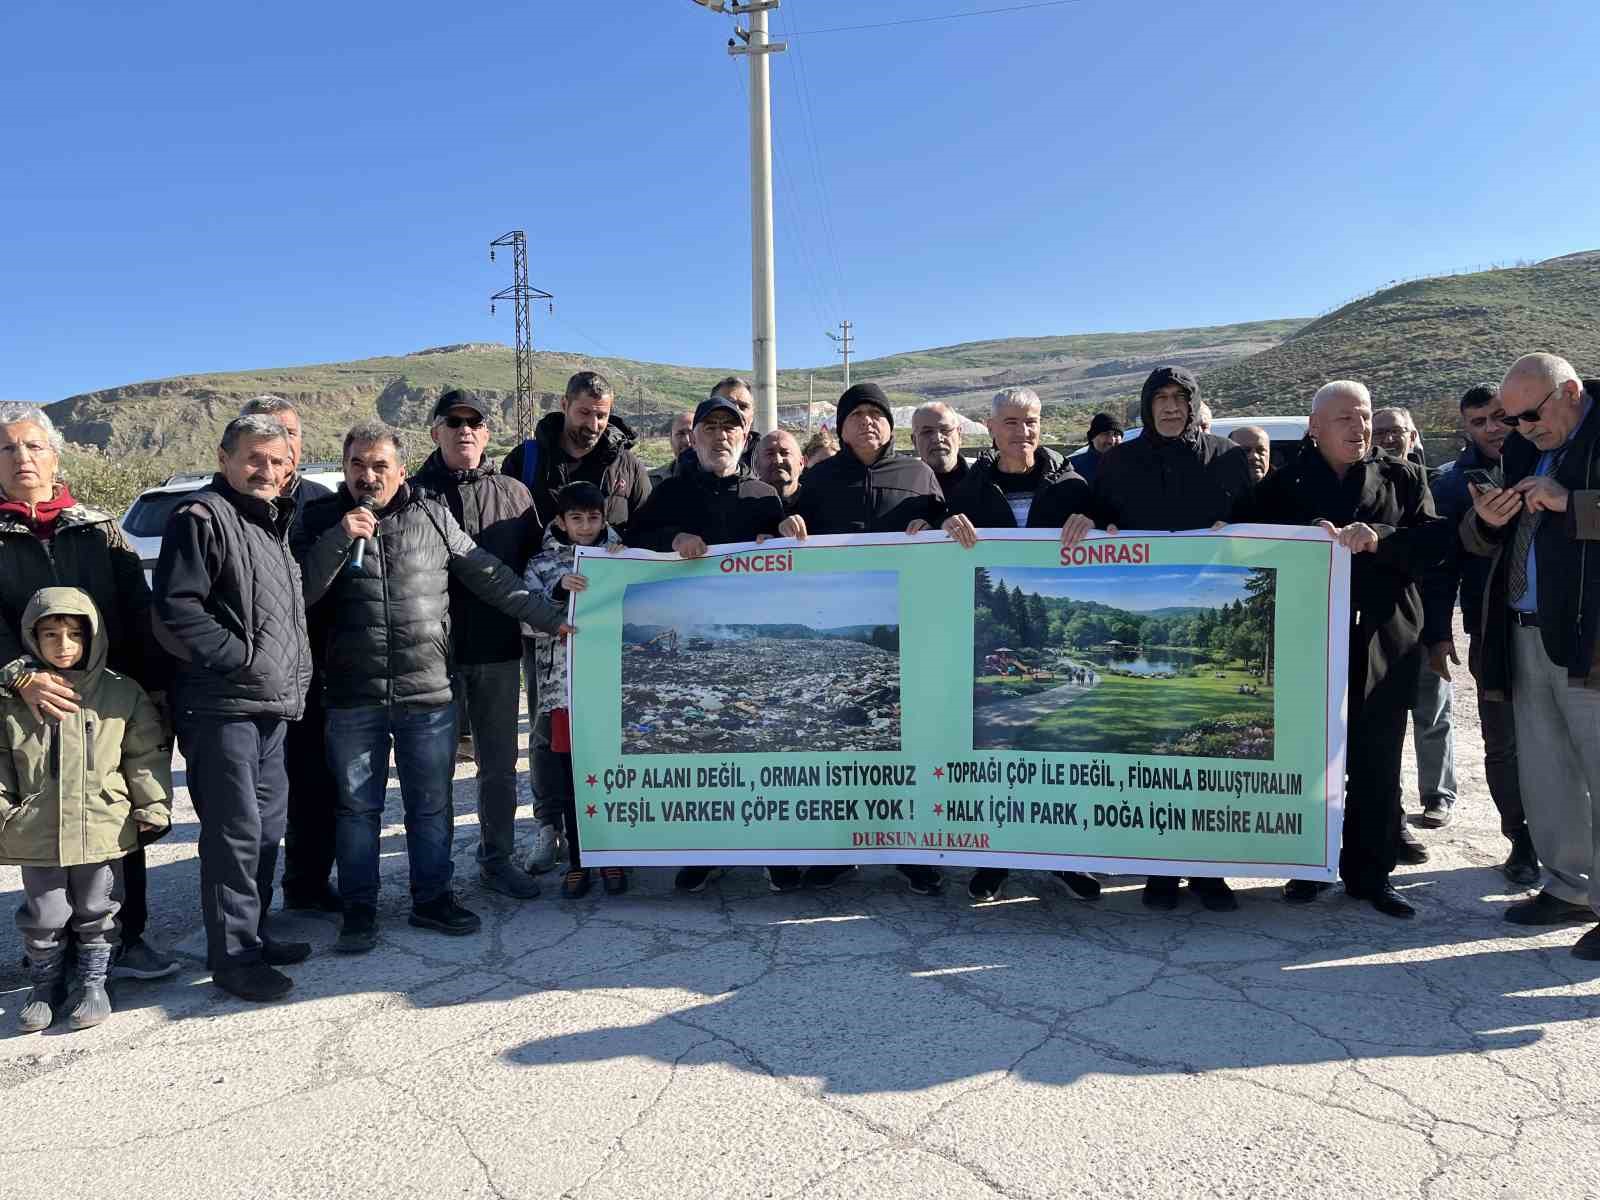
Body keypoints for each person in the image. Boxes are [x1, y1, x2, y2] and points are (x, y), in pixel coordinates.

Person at [297, 424, 574, 956]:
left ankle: (433, 898)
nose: (368, 475)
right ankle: (359, 909)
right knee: (357, 809)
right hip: (353, 694)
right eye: (358, 464)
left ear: (401, 469)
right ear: (345, 468)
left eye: (380, 465)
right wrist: (340, 537)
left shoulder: (431, 514)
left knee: (431, 803)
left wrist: (551, 617)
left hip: (427, 691)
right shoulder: (320, 520)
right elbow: (300, 592)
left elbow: (487, 574)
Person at [1246, 382, 1450, 918]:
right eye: (1344, 417)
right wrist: (1301, 540)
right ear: (1314, 427)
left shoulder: (1403, 476)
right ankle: (1309, 867)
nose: (1358, 427)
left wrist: (1380, 537)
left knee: (1377, 757)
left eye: (1363, 416)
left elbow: (1434, 543)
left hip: (1383, 639)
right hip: (1306, 642)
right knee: (1309, 756)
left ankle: (1371, 874)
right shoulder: (1281, 484)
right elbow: (1248, 546)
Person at [0, 405, 178, 983]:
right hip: (20, 705)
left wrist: (151, 689)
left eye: (32, 446)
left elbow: (134, 608)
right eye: (8, 449)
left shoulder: (99, 527)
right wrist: (17, 674)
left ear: (55, 454)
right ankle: (50, 951)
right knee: (37, 825)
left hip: (102, 703)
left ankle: (127, 940)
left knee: (115, 815)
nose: (22, 458)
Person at [1075, 367, 1253, 913]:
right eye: (1161, 399)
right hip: (1143, 601)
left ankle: (1208, 871)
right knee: (1155, 748)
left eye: (1181, 399)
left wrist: (1245, 538)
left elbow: (1262, 527)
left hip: (1208, 606)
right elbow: (1100, 517)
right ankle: (1158, 871)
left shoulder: (1228, 457)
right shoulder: (1118, 462)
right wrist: (1088, 521)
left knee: (1204, 765)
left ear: (1194, 403)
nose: (1171, 408)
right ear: (1146, 407)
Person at [153, 414, 313, 1002]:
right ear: (224, 458)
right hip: (223, 706)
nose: (264, 470)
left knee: (268, 828)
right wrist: (239, 658)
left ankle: (255, 931)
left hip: (269, 705)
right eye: (252, 458)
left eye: (275, 460)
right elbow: (176, 609)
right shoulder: (201, 518)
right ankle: (234, 958)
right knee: (234, 833)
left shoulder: (271, 524)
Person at [779, 382, 945, 896]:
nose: (868, 423)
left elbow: (949, 534)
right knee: (848, 745)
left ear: (891, 426)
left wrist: (934, 523)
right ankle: (842, 851)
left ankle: (913, 852)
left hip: (910, 629)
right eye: (857, 415)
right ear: (841, 426)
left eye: (878, 414)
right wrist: (787, 526)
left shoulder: (918, 476)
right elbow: (793, 535)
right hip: (846, 627)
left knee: (910, 739)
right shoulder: (820, 478)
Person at [1461, 353, 1600, 957]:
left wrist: (1570, 501)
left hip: (1591, 635)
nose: (1521, 429)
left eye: (1531, 416)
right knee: (1546, 770)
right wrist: (1485, 523)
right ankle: (1569, 887)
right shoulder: (1522, 447)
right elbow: (1473, 538)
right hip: (1523, 631)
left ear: (1569, 390)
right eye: (1511, 419)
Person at [937, 387, 1098, 903]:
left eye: (1030, 421)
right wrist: (942, 526)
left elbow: (1116, 531)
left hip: (1046, 631)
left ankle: (1064, 857)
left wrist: (1096, 523)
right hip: (987, 633)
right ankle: (994, 861)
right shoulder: (967, 488)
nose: (1021, 431)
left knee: (1056, 756)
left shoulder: (1074, 484)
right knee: (990, 750)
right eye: (1010, 422)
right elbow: (932, 547)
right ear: (989, 426)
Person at [630, 396, 789, 893]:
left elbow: (786, 556)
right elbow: (635, 542)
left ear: (745, 439)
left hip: (749, 641)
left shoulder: (764, 495)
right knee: (706, 756)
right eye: (710, 427)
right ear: (693, 436)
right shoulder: (668, 492)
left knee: (764, 748)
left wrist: (786, 532)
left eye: (731, 427)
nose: (721, 435)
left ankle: (778, 851)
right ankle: (705, 851)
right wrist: (673, 539)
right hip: (701, 634)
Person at [2, 589, 171, 1031]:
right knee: (44, 913)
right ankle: (45, 985)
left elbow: (144, 754)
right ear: (31, 637)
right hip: (38, 831)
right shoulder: (13, 700)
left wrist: (152, 804)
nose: (63, 645)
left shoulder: (120, 692)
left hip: (101, 827)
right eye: (50, 634)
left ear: (92, 637)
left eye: (74, 634)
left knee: (100, 906)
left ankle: (95, 982)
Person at [409, 388, 544, 899]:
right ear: (436, 432)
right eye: (454, 421)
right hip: (429, 657)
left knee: (498, 769)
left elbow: (539, 566)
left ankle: (497, 860)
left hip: (497, 651)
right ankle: (434, 874)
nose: (465, 429)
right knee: (432, 774)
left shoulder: (515, 494)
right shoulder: (412, 492)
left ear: (488, 432)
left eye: (474, 422)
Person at [1430, 385, 1537, 884]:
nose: (1493, 428)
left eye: (1499, 416)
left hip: (1556, 626)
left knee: (1563, 739)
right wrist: (1437, 632)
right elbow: (1441, 567)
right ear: (1465, 428)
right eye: (1479, 422)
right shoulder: (1450, 485)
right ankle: (1520, 840)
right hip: (1489, 628)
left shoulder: (1547, 461)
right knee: (1503, 743)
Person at [238, 395, 340, 914]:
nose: (284, 444)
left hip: (318, 666)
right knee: (258, 803)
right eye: (270, 433)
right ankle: (249, 909)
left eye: (292, 434)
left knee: (316, 785)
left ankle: (308, 883)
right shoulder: (226, 507)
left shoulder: (322, 502)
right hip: (253, 675)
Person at [522, 483, 625, 899]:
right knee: (570, 778)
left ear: (605, 518)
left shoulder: (624, 557)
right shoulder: (542, 564)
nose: (585, 527)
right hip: (563, 691)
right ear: (561, 521)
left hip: (610, 687)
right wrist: (557, 591)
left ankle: (614, 856)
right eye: (576, 519)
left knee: (609, 773)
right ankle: (580, 859)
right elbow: (525, 620)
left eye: (594, 517)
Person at [1374, 407, 1457, 854]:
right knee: (1381, 725)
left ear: (1414, 435)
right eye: (1381, 431)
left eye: (1397, 432)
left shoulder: (1436, 485)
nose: (1388, 439)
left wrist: (1441, 631)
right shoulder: (1373, 487)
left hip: (1429, 621)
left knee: (1433, 715)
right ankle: (1392, 811)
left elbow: (1444, 565)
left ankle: (1437, 797)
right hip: (1383, 626)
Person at [500, 370, 651, 530]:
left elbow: (648, 529)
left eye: (601, 416)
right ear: (565, 405)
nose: (593, 426)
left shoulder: (628, 467)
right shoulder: (523, 460)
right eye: (584, 413)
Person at [911, 401, 969, 496]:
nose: (937, 438)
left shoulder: (985, 482)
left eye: (945, 430)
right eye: (927, 432)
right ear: (914, 441)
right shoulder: (903, 488)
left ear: (959, 435)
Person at [754, 429, 805, 515]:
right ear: (756, 464)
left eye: (784, 453)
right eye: (770, 454)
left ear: (801, 463)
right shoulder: (746, 505)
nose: (778, 460)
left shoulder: (816, 503)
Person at [649, 411, 695, 487]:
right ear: (671, 439)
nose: (687, 441)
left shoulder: (718, 479)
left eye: (692, 433)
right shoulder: (652, 481)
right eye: (680, 434)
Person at [1075, 413, 1123, 485]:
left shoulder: (1131, 463)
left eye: (1116, 434)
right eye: (1106, 433)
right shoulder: (1074, 467)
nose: (1111, 440)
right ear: (1092, 438)